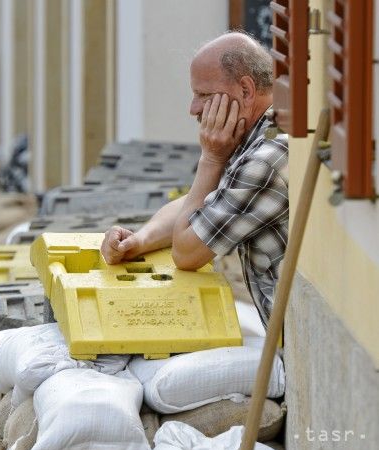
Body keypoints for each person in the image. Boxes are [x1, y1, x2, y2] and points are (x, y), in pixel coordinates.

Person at [100, 32, 288, 328]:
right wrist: (139, 240)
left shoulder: (265, 158)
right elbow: (197, 207)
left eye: (204, 95)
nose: (194, 109)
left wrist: (210, 159)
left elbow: (187, 252)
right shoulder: (257, 135)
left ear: (246, 91)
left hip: (293, 344)